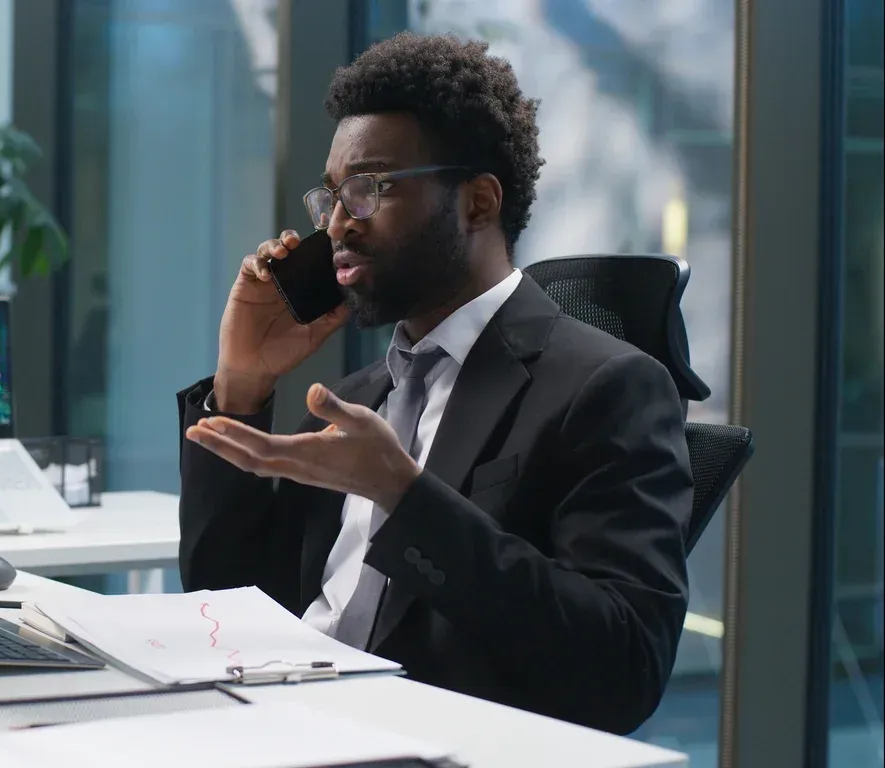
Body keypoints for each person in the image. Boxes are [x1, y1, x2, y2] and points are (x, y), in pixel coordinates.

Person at [177, 32, 691, 736]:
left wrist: (404, 495)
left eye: (368, 189)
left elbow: (623, 671)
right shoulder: (357, 398)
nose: (334, 225)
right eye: (329, 195)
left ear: (477, 202)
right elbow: (225, 606)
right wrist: (239, 388)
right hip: (283, 724)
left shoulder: (608, 389)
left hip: (418, 739)